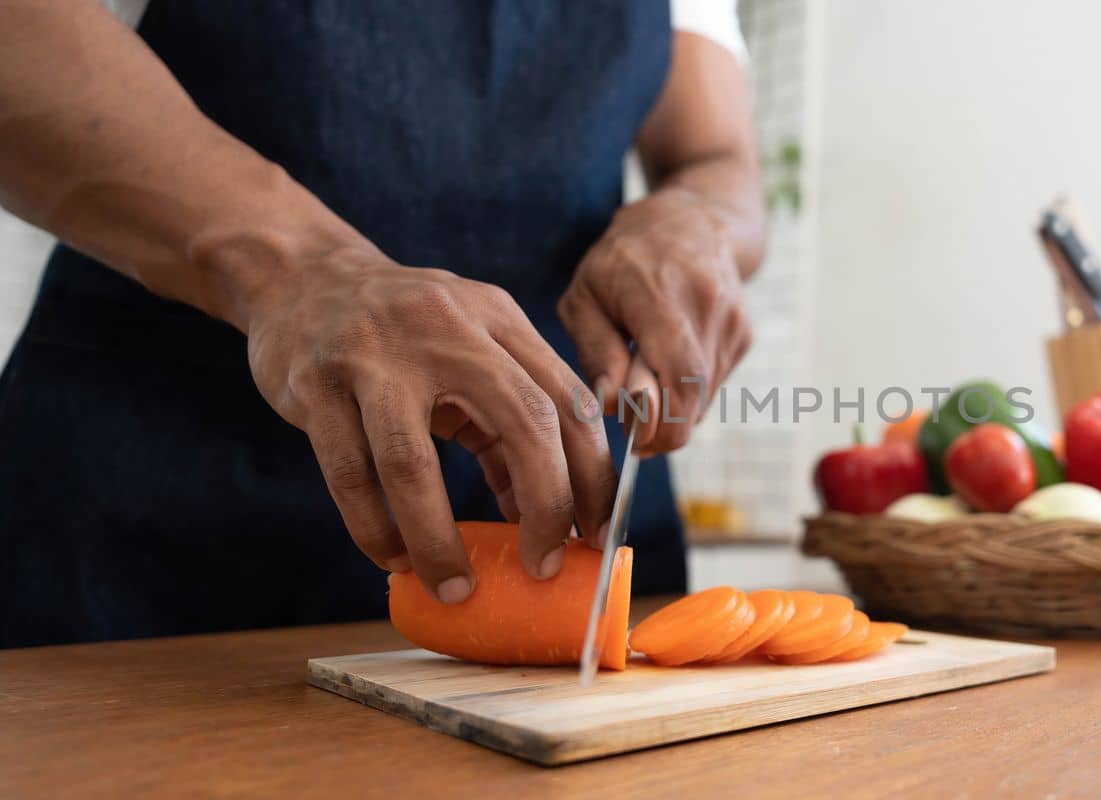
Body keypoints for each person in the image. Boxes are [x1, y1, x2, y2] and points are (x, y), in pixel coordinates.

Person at [0, 0, 765, 648]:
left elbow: (717, 154)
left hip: (576, 501)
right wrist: (296, 269)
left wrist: (703, 219)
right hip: (154, 518)